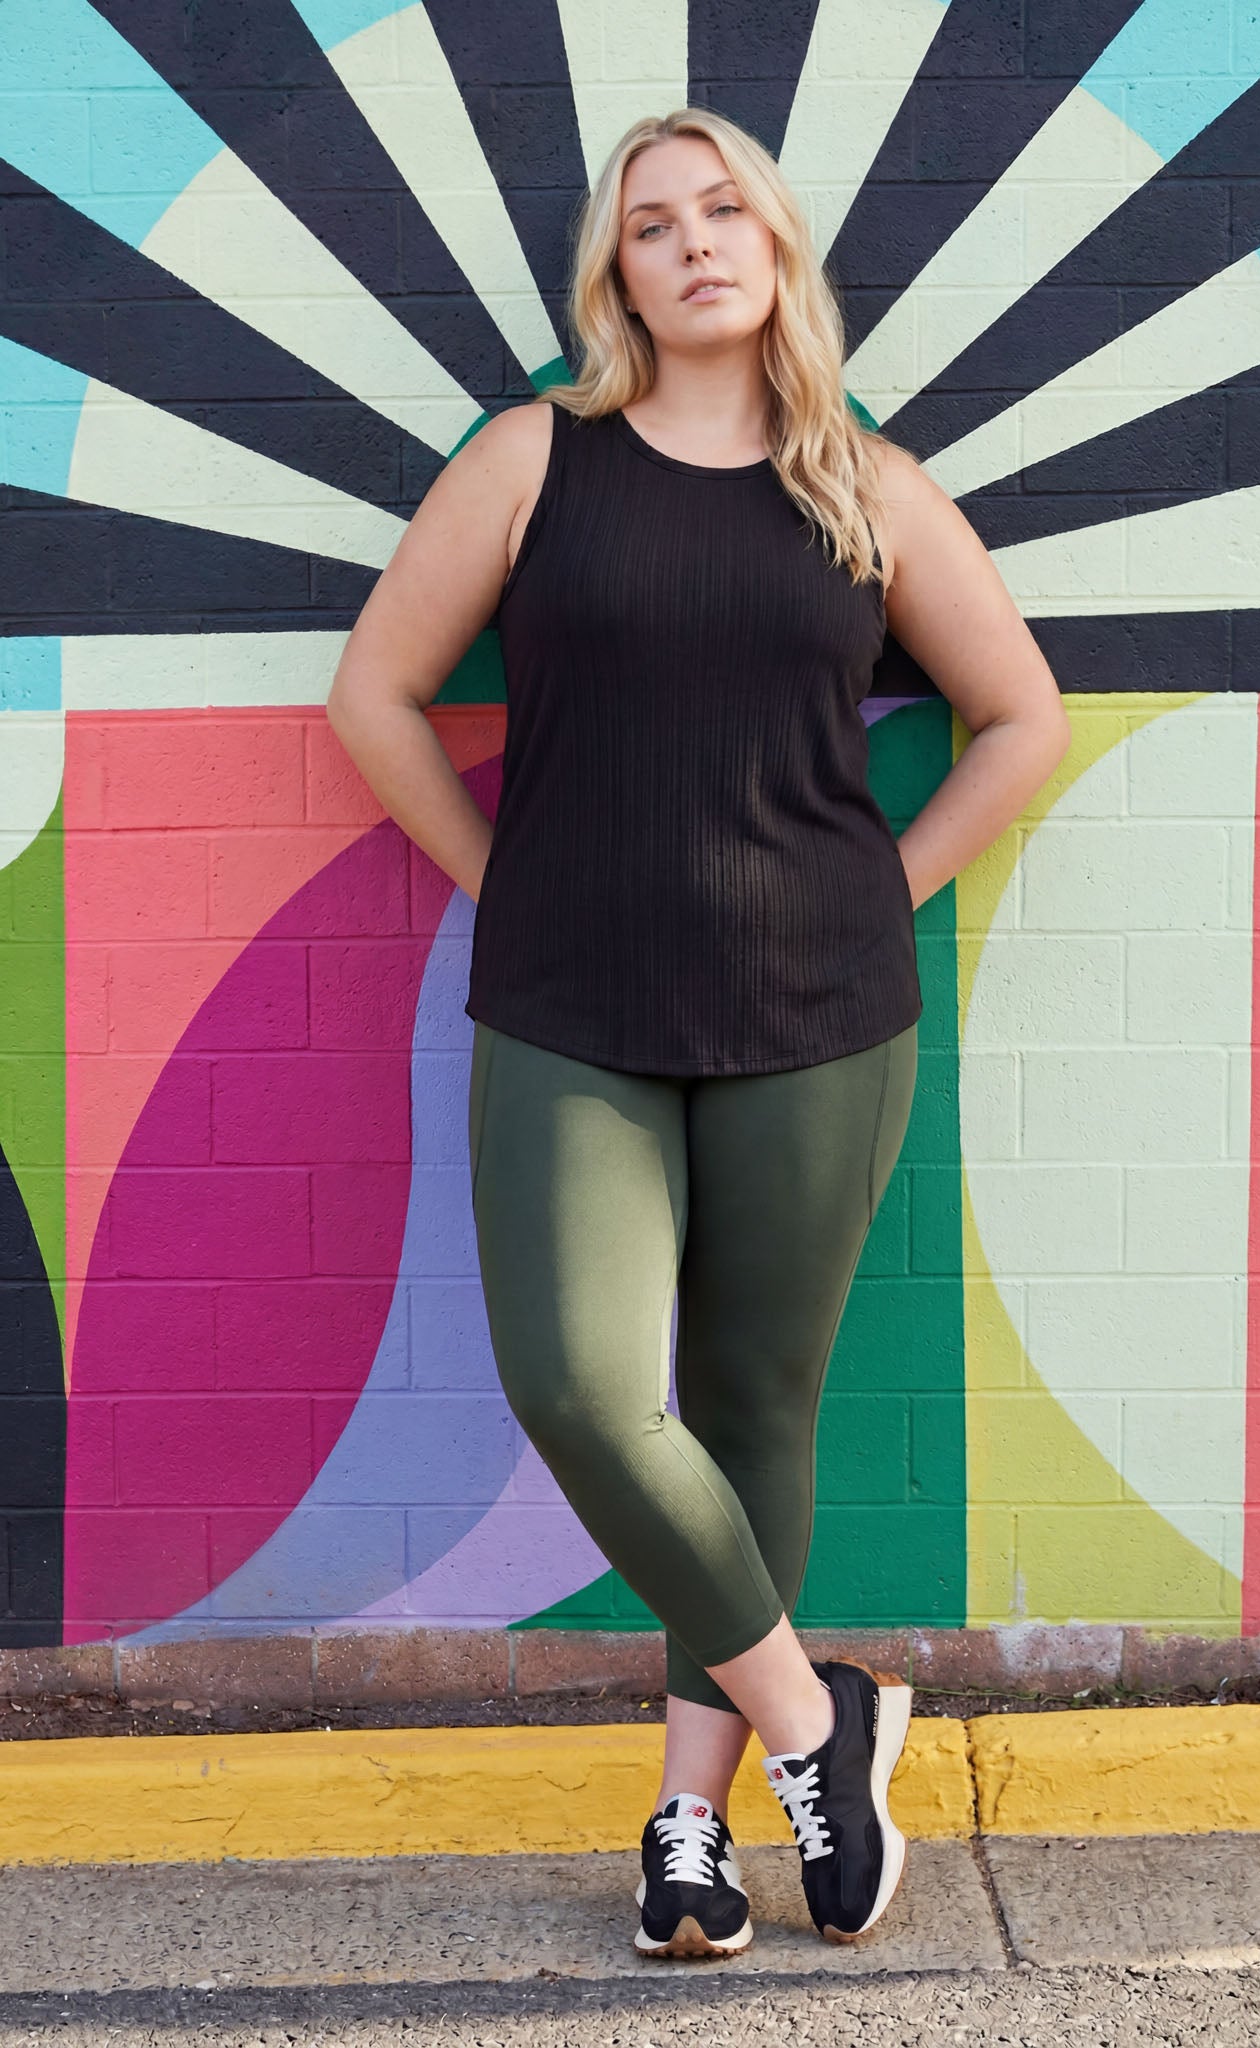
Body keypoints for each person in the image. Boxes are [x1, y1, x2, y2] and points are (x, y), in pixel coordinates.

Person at [327, 106, 1071, 1960]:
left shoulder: (866, 487)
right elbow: (377, 692)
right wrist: (504, 879)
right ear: (618, 278)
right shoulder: (533, 461)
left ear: (778, 244)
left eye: (723, 210)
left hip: (817, 1015)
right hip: (569, 1004)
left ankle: (688, 1821)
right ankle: (820, 1725)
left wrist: (879, 891)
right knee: (586, 1389)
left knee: (750, 1413)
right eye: (651, 225)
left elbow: (1020, 719)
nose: (693, 243)